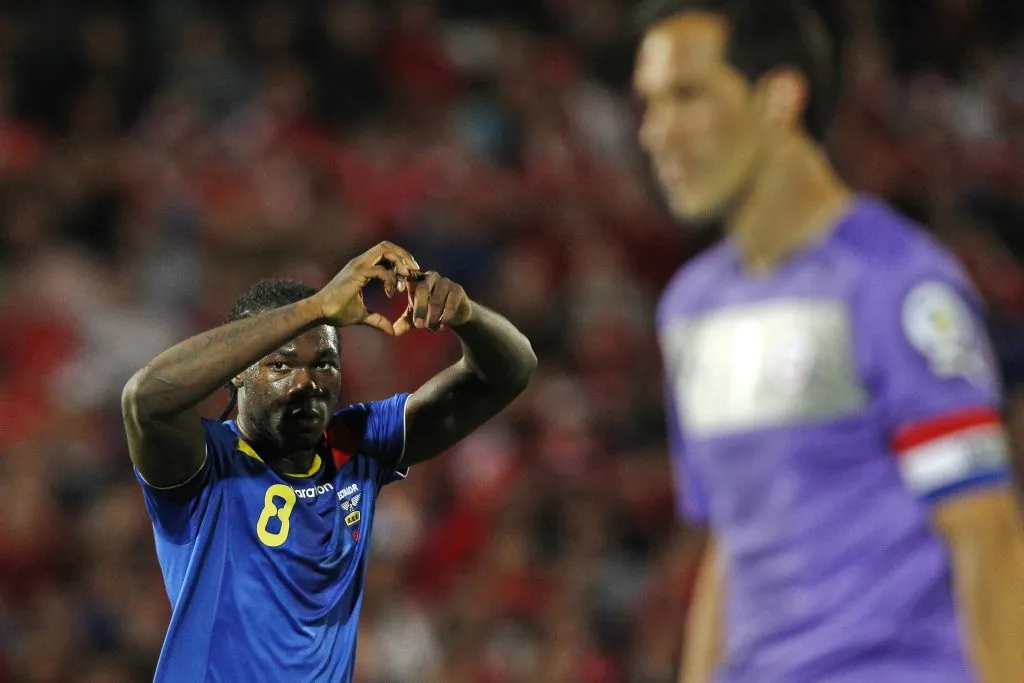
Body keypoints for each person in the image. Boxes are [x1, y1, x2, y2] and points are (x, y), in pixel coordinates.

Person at [632, 1, 1024, 682]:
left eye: (687, 97)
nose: (654, 133)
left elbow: (983, 533)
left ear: (778, 98)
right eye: (649, 104)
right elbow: (731, 541)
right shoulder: (689, 310)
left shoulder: (896, 284)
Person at [121, 241, 537, 682]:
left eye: (324, 363)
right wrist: (315, 308)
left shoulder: (358, 444)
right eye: (282, 366)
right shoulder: (202, 466)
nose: (307, 383)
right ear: (238, 372)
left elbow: (511, 370)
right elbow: (144, 400)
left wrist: (466, 316)